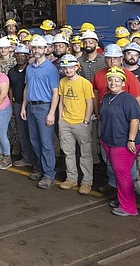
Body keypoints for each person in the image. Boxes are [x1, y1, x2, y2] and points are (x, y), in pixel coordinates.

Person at [99, 68, 140, 216]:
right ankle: (122, 199)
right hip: (109, 140)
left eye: (117, 80)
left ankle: (129, 207)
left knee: (123, 174)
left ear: (123, 83)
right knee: (118, 174)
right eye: (110, 79)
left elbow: (134, 120)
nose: (113, 82)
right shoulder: (106, 97)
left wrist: (130, 139)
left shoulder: (128, 100)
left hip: (123, 143)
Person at [54, 54, 94, 194]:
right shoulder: (63, 82)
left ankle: (86, 182)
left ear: (76, 67)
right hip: (65, 122)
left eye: (70, 67)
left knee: (85, 154)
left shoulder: (85, 83)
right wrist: (60, 120)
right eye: (65, 68)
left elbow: (90, 104)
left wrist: (86, 121)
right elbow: (61, 101)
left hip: (81, 123)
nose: (68, 70)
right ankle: (71, 178)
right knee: (68, 152)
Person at [21, 41, 60, 187]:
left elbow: (55, 92)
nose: (37, 50)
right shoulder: (30, 67)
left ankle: (49, 174)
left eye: (40, 48)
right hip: (31, 106)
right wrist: (24, 107)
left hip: (44, 107)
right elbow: (27, 87)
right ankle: (40, 167)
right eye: (34, 47)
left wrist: (51, 113)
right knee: (34, 140)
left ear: (45, 49)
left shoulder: (50, 68)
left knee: (46, 142)